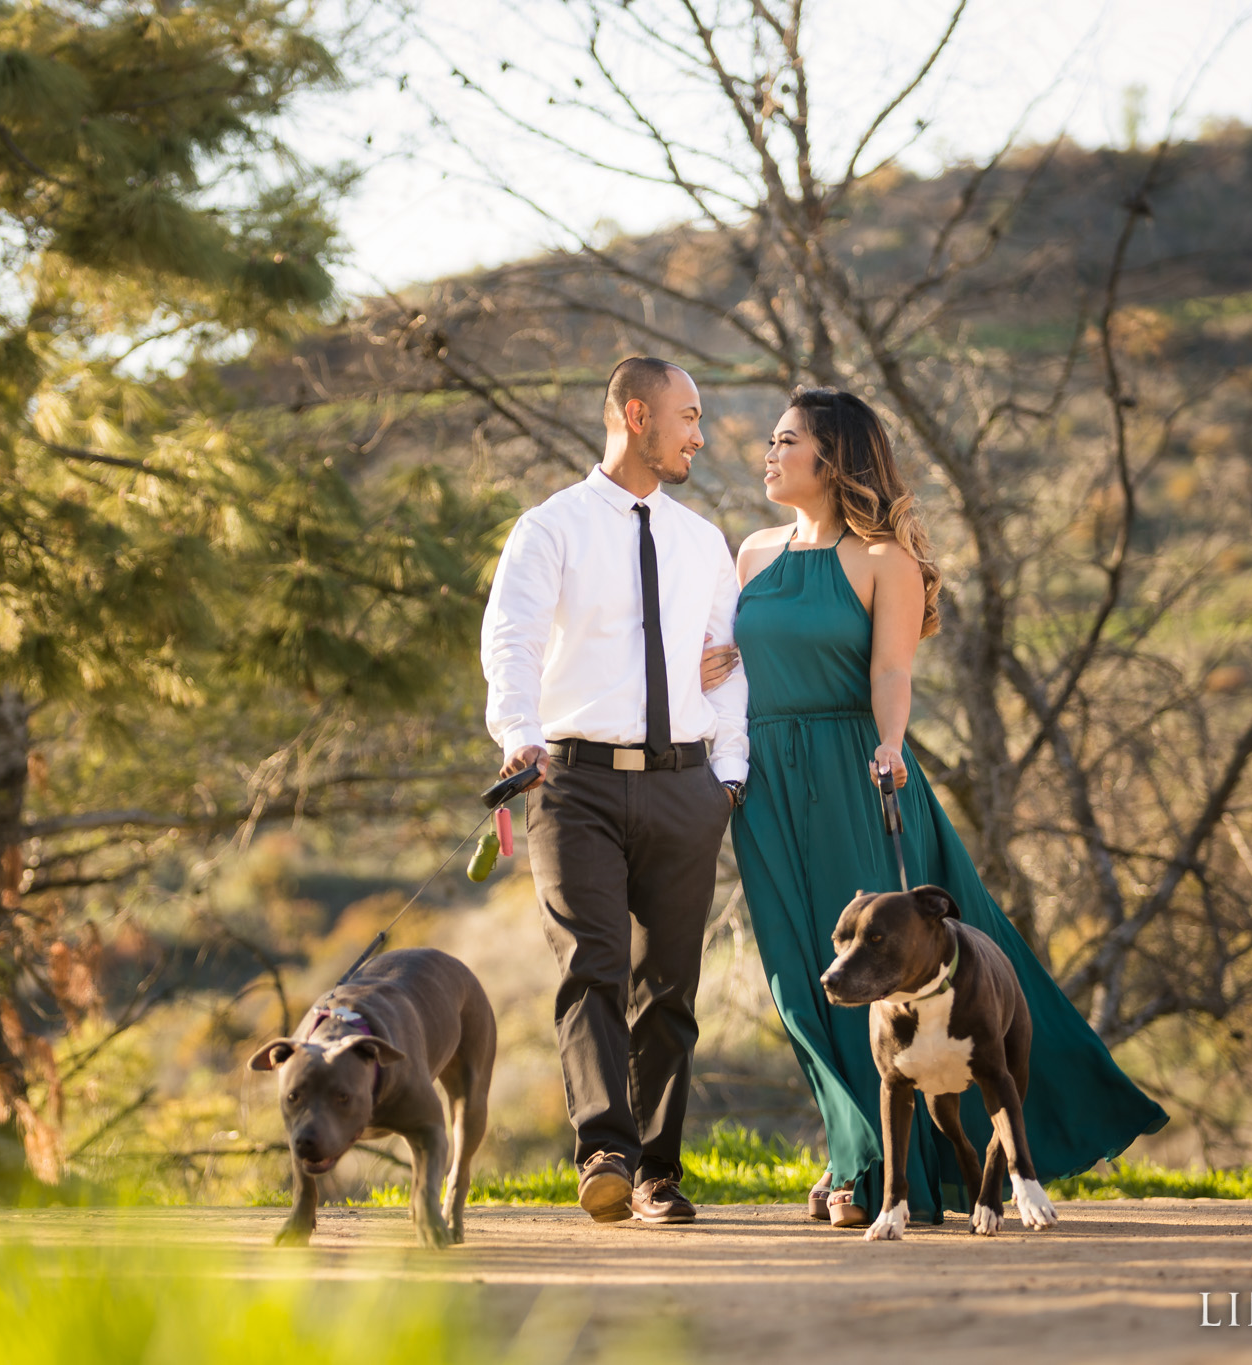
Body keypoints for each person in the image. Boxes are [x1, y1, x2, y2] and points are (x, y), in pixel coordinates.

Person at [701, 387, 1165, 1228]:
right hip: (765, 783)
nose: (768, 455)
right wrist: (716, 671)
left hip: (855, 770)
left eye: (786, 440)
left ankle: (864, 1170)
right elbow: (742, 660)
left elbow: (890, 671)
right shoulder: (753, 552)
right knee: (799, 985)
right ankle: (852, 1151)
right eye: (770, 441)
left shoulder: (885, 558)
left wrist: (889, 743)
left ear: (833, 457)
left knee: (877, 974)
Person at [480, 356, 749, 1226]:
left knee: (669, 985)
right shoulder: (550, 528)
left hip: (684, 786)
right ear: (637, 415)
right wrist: (518, 734)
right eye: (688, 416)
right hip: (574, 784)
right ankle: (605, 1149)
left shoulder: (703, 541)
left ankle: (657, 1174)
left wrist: (729, 776)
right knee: (589, 968)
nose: (699, 435)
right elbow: (511, 638)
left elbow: (726, 665)